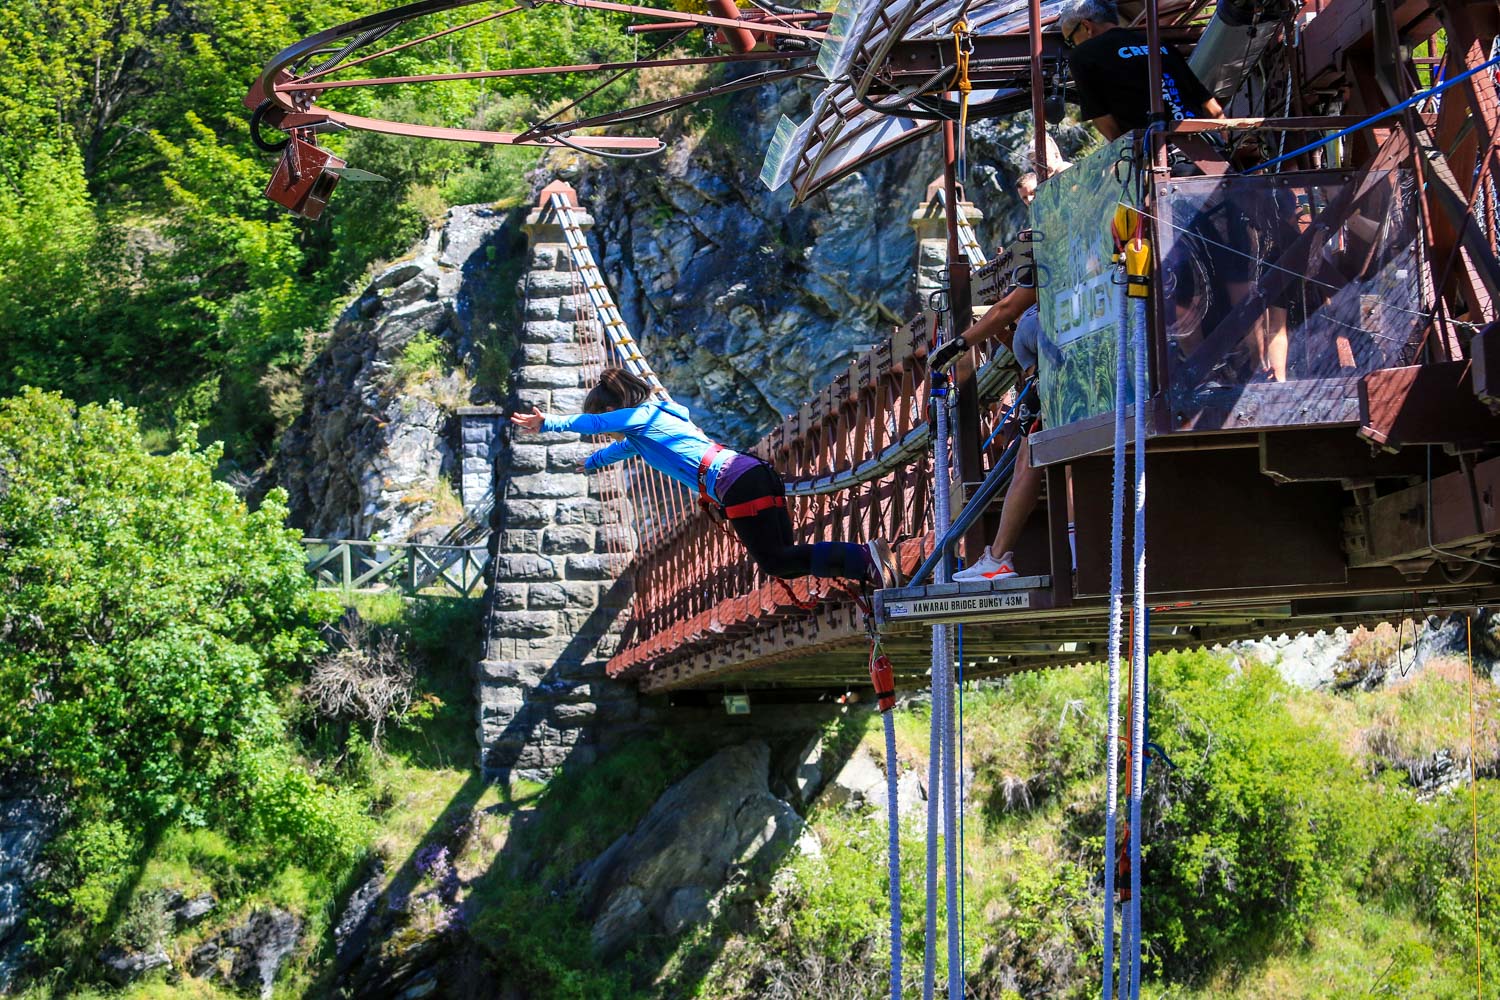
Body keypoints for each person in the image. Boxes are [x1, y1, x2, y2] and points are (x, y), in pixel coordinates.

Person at [510, 367, 900, 590]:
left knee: (777, 561)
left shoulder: (642, 416)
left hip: (735, 482)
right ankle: (866, 565)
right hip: (749, 475)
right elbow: (619, 449)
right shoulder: (650, 428)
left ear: (614, 409)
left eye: (609, 423)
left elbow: (597, 423)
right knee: (782, 560)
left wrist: (549, 424)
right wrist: (593, 463)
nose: (608, 433)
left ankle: (865, 559)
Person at [1059, 0, 1224, 141]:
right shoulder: (1159, 44)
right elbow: (1211, 106)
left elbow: (1102, 119)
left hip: (1156, 157)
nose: (1073, 47)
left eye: (1071, 41)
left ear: (1086, 26)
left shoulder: (1083, 55)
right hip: (1201, 146)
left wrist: (1131, 160)